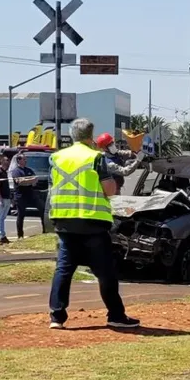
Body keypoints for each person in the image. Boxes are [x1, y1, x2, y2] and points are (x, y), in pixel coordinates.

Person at [47, 117, 139, 330]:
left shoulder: (56, 157)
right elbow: (109, 190)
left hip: (64, 220)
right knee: (105, 271)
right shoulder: (96, 158)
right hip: (92, 222)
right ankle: (116, 315)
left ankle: (56, 317)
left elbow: (53, 188)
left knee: (63, 269)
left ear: (72, 135)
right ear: (91, 137)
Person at [11, 152, 46, 239]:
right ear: (19, 160)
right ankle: (20, 235)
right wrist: (30, 181)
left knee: (42, 209)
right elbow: (20, 182)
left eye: (25, 159)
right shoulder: (16, 171)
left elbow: (35, 180)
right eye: (23, 159)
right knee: (21, 215)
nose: (25, 160)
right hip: (20, 196)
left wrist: (29, 181)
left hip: (31, 194)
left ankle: (45, 230)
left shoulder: (29, 170)